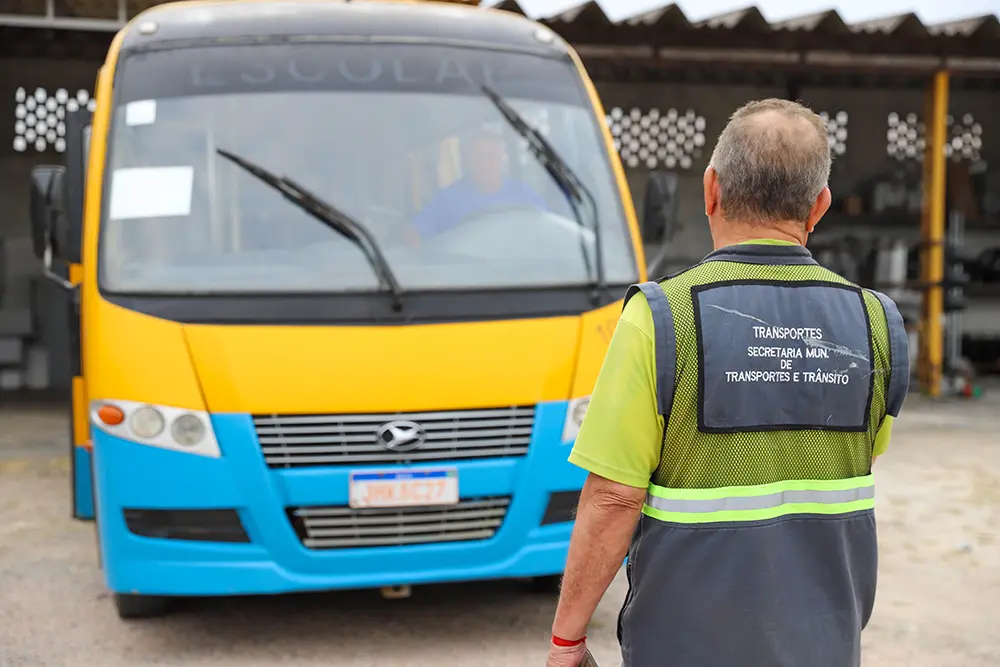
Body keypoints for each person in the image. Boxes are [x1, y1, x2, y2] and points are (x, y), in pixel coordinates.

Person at [545, 98, 909, 667]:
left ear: (710, 189)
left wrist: (567, 640)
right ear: (819, 207)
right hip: (825, 646)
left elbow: (614, 496)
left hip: (683, 647)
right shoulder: (876, 324)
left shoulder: (661, 319)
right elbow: (849, 461)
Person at [410, 129, 548, 240]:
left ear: (501, 159)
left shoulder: (524, 196)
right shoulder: (448, 200)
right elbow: (413, 233)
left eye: (491, 157)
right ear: (468, 161)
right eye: (477, 158)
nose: (484, 165)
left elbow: (546, 233)